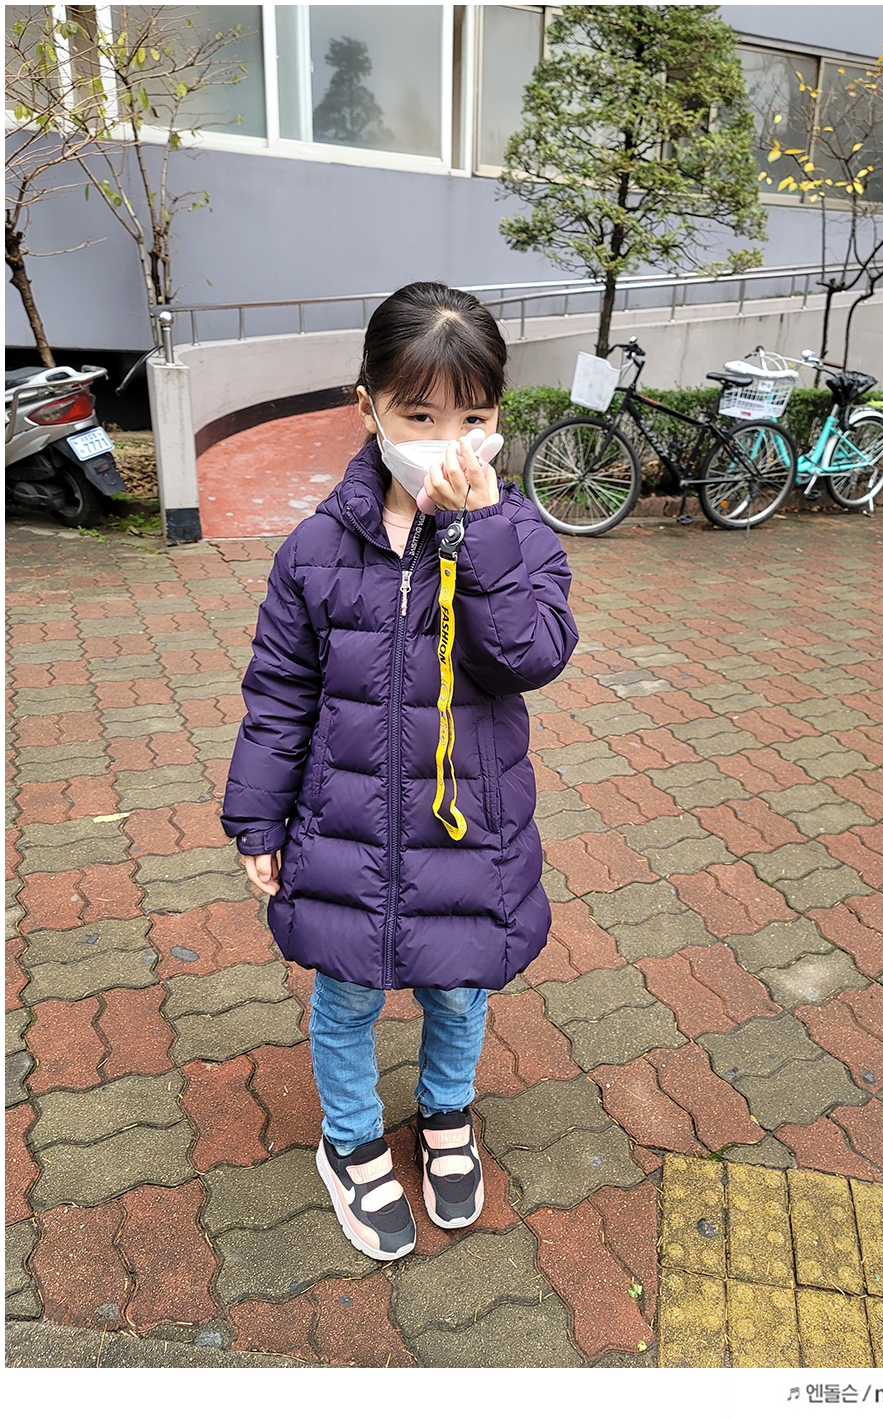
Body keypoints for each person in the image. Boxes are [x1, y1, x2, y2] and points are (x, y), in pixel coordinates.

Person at [221, 282, 578, 1261]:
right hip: (341, 826)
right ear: (367, 407)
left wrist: (482, 532)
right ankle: (349, 1139)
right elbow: (279, 692)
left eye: (473, 418)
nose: (447, 442)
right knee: (344, 993)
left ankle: (446, 1115)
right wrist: (257, 819)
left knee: (458, 988)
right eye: (419, 416)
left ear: (498, 418)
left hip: (466, 830)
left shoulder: (519, 533)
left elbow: (532, 654)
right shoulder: (315, 550)